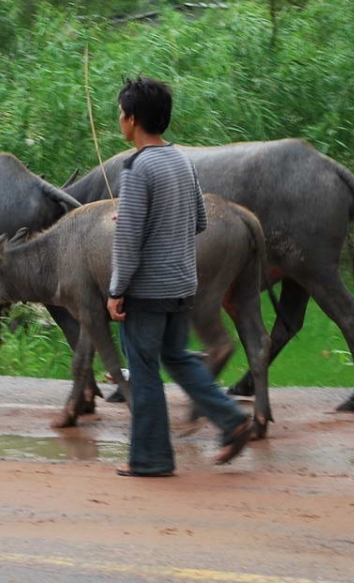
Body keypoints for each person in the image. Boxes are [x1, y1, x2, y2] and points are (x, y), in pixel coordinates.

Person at [106, 76, 252, 478]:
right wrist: (143, 218)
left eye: (121, 113)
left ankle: (151, 459)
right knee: (176, 357)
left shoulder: (135, 167)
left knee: (146, 368)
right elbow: (198, 221)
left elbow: (130, 238)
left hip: (147, 291)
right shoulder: (181, 160)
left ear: (132, 119)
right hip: (183, 284)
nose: (120, 119)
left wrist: (117, 289)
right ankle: (232, 418)